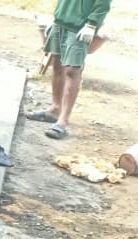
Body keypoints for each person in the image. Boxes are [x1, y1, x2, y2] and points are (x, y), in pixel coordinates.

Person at [24, 0, 111, 140]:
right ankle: (54, 110)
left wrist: (91, 24)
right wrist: (58, 16)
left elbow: (103, 3)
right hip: (61, 21)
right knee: (57, 65)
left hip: (80, 26)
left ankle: (63, 121)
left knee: (72, 70)